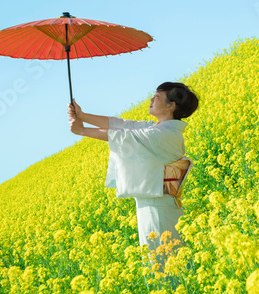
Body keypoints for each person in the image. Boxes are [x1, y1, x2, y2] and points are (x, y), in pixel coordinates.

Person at [67, 82, 199, 271]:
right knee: (158, 263)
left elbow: (126, 136)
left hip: (159, 208)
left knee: (164, 266)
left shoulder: (163, 135)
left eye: (158, 97)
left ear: (171, 106)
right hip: (150, 204)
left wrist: (83, 130)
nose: (152, 99)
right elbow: (123, 125)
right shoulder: (157, 129)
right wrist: (82, 115)